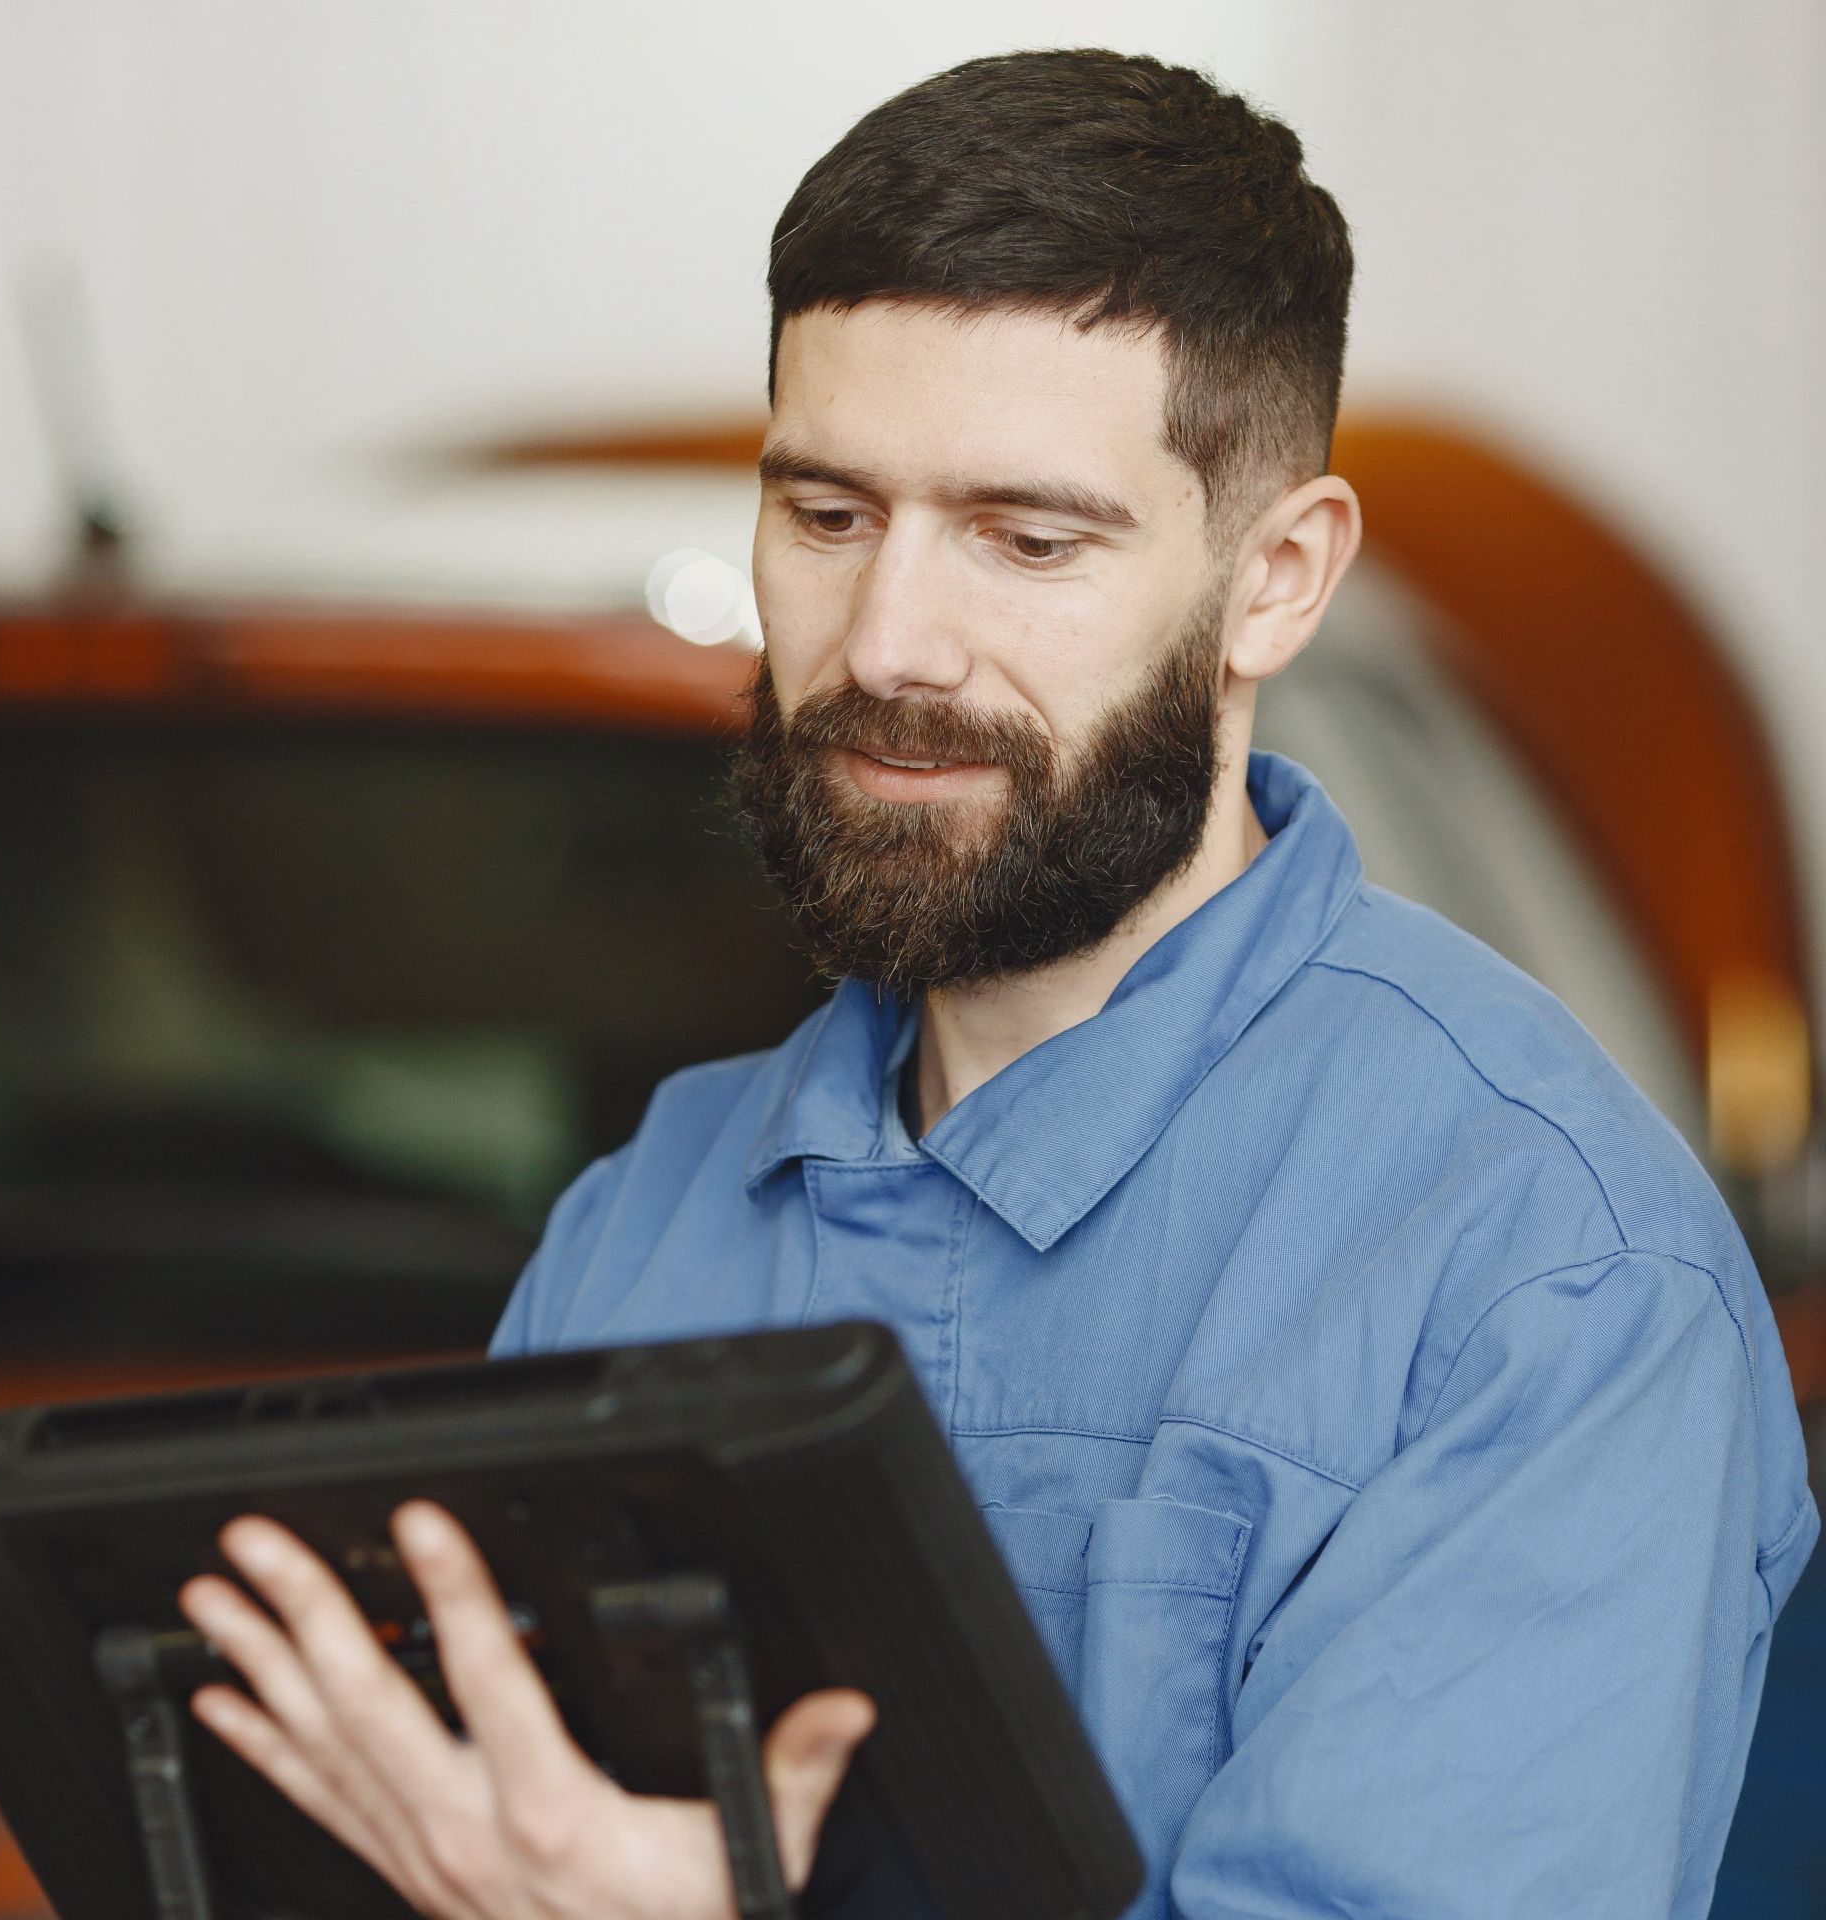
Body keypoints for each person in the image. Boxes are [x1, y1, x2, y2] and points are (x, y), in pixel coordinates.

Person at [177, 47, 1817, 1920]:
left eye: (1025, 540)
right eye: (826, 514)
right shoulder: (646, 1225)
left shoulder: (1546, 1269)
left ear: (1278, 581)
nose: (887, 641)